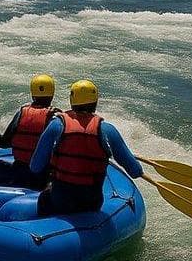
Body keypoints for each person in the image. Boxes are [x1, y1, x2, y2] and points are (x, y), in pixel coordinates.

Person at [28, 80, 144, 216]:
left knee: (44, 198)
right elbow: (135, 171)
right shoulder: (108, 130)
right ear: (95, 102)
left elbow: (35, 167)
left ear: (72, 101)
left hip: (60, 201)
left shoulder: (56, 125)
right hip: (91, 203)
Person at [0, 74, 62, 190]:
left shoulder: (21, 113)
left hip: (19, 170)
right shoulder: (56, 116)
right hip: (42, 174)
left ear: (33, 93)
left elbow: (5, 142)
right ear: (52, 93)